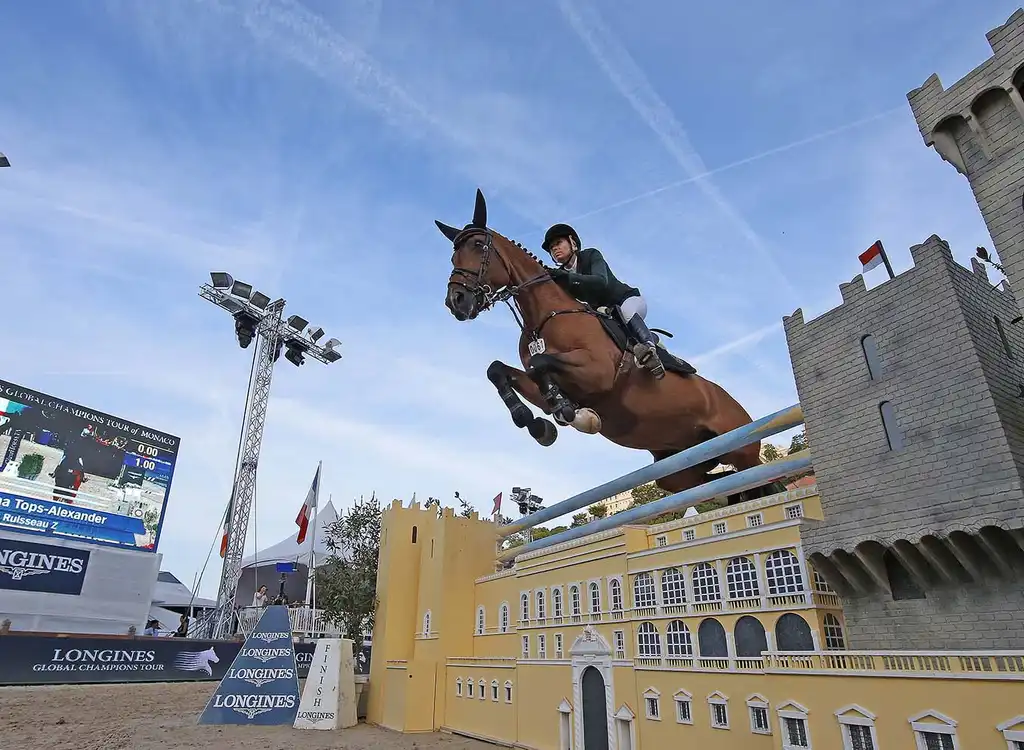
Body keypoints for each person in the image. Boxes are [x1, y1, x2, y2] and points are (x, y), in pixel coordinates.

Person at [542, 223, 665, 378]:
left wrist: (567, 278)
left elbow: (601, 281)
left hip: (627, 300)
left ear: (572, 242)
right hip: (605, 314)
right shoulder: (560, 275)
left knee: (626, 313)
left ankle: (649, 348)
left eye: (558, 243)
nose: (554, 249)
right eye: (551, 247)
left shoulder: (591, 255)